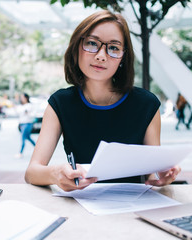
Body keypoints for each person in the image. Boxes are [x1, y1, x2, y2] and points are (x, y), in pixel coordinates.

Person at [24, 10, 181, 192]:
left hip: (133, 207)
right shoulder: (60, 103)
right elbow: (32, 172)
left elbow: (151, 174)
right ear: (76, 49)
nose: (101, 55)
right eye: (92, 43)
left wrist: (162, 175)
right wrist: (55, 174)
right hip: (80, 205)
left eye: (113, 47)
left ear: (123, 58)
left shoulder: (146, 105)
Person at [15, 93, 36, 158]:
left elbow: (32, 114)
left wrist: (27, 113)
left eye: (23, 97)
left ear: (26, 98)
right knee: (28, 138)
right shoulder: (20, 106)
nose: (22, 99)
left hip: (27, 124)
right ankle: (38, 149)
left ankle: (20, 152)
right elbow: (18, 112)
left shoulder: (29, 105)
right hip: (21, 124)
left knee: (23, 138)